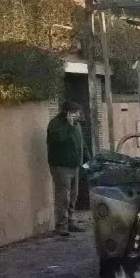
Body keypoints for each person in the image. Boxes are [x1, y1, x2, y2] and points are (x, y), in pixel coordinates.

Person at [47, 101, 88, 236]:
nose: (78, 116)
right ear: (67, 113)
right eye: (75, 113)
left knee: (74, 196)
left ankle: (71, 220)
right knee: (63, 196)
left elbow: (80, 142)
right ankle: (61, 225)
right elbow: (59, 139)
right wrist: (69, 126)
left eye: (79, 113)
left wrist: (87, 158)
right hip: (61, 166)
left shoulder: (76, 125)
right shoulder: (55, 124)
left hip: (74, 165)